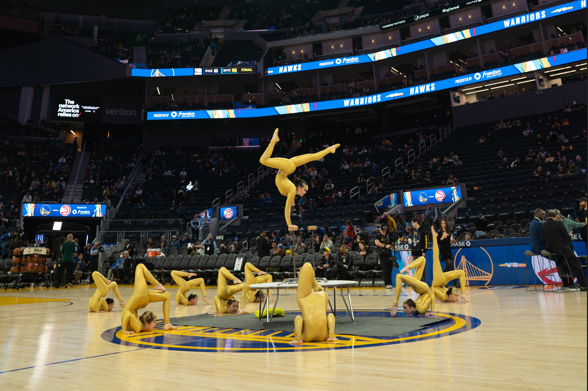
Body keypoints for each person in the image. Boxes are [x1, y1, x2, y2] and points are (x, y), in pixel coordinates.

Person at [259, 128, 339, 231]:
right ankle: (273, 140)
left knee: (312, 156)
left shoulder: (291, 191)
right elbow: (289, 205)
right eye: (305, 190)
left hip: (287, 168)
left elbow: (287, 208)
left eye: (304, 190)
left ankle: (330, 149)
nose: (304, 193)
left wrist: (289, 224)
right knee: (311, 157)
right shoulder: (291, 190)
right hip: (287, 168)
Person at [121, 264, 177, 334]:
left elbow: (127, 313)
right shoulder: (139, 327)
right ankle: (167, 323)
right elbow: (127, 313)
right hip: (140, 300)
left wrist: (124, 330)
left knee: (140, 266)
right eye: (154, 322)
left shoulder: (138, 327)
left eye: (154, 322)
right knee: (167, 296)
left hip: (139, 298)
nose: (155, 325)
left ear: (146, 323)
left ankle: (156, 284)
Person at [290, 263, 337, 345]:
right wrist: (316, 285)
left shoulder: (307, 297)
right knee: (330, 315)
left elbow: (299, 320)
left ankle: (298, 339)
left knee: (298, 318)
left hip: (307, 335)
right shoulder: (324, 295)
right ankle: (331, 335)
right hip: (323, 335)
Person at [541, 210, 587, 291]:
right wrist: (570, 235)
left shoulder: (542, 225)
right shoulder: (559, 223)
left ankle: (565, 283)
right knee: (576, 263)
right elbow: (567, 238)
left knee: (561, 265)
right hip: (562, 248)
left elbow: (544, 238)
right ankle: (584, 285)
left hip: (550, 250)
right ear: (555, 216)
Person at [430, 227, 469, 303]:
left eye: (456, 295)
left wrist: (434, 299)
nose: (457, 298)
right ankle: (434, 237)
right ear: (450, 296)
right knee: (435, 258)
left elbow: (433, 288)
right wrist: (434, 300)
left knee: (436, 258)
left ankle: (463, 293)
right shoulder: (445, 296)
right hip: (441, 280)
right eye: (456, 295)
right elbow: (433, 289)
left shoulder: (445, 296)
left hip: (439, 281)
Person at [375, 223, 394, 289]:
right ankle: (387, 284)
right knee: (385, 270)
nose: (384, 232)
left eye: (385, 231)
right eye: (383, 231)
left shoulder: (388, 236)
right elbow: (377, 243)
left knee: (390, 270)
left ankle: (389, 283)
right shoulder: (378, 236)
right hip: (382, 255)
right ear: (380, 230)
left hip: (389, 254)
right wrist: (385, 246)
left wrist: (393, 244)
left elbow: (391, 243)